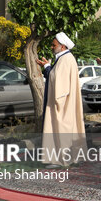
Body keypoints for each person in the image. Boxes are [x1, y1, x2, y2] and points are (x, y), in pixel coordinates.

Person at [37, 32, 87, 167]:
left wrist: (47, 67)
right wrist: (48, 66)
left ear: (63, 46)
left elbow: (56, 80)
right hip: (65, 101)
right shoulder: (64, 58)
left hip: (62, 103)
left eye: (54, 45)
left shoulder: (65, 59)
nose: (52, 47)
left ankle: (61, 160)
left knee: (61, 128)